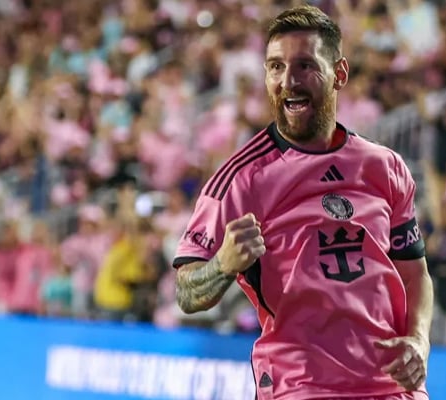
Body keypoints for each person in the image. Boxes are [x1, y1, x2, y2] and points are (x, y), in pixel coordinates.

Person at [173, 5, 432, 400]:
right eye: (275, 67)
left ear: (339, 74)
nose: (288, 81)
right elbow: (187, 293)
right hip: (300, 387)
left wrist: (418, 339)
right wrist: (223, 264)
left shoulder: (386, 167)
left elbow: (414, 274)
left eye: (305, 65)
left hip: (392, 388)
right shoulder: (241, 179)